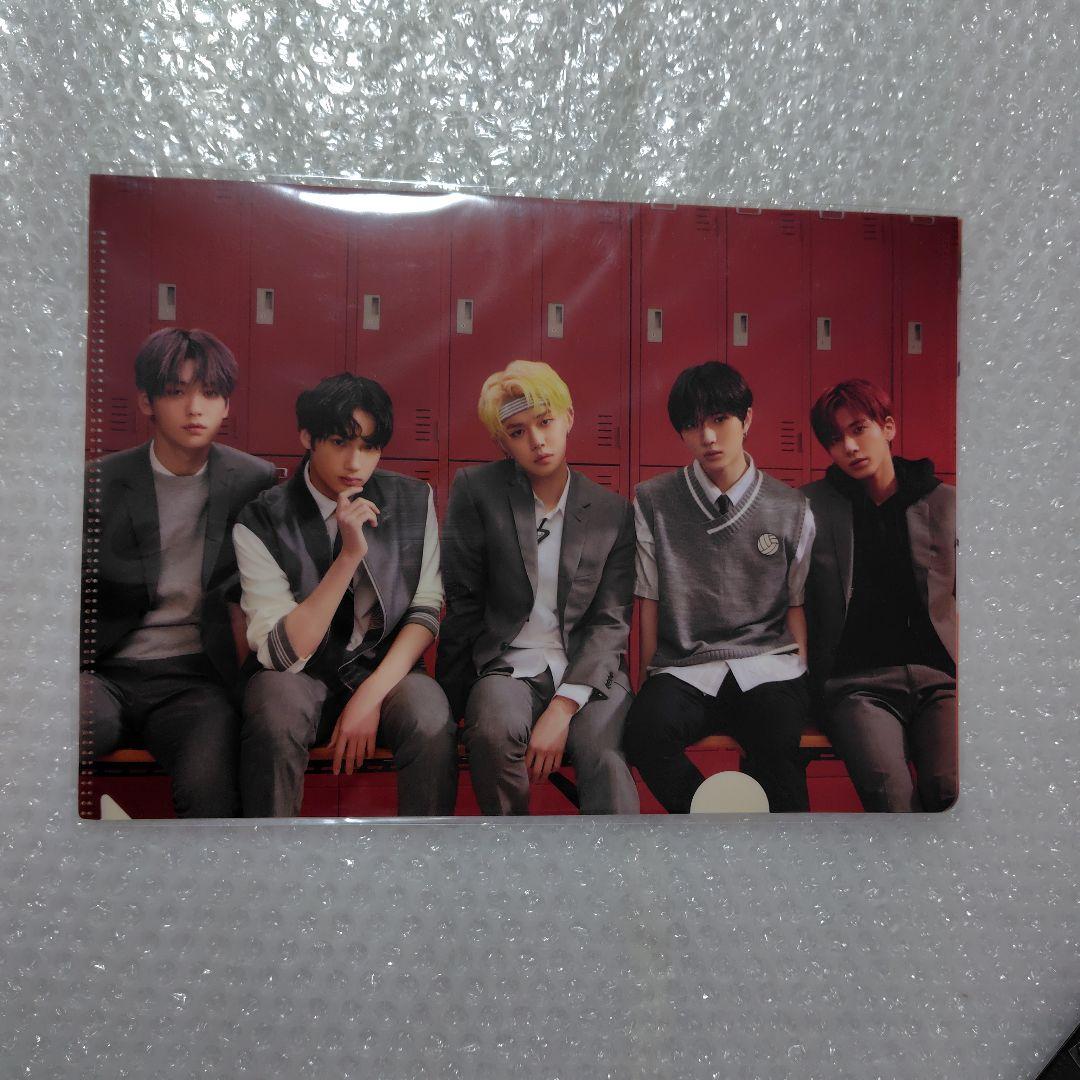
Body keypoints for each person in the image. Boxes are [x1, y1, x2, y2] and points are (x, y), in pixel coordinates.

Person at [233, 373, 457, 817]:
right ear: (307, 437)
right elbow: (281, 653)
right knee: (274, 708)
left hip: (386, 673)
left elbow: (426, 609)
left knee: (430, 715)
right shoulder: (262, 520)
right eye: (339, 442)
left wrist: (368, 696)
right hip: (300, 676)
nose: (355, 462)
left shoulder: (413, 499)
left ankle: (428, 856)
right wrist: (349, 557)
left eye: (369, 447)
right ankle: (271, 854)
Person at [80, 328, 277, 816]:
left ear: (226, 405)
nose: (194, 408)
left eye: (209, 393)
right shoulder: (101, 481)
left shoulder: (253, 481)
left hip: (195, 679)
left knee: (210, 787)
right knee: (38, 742)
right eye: (176, 392)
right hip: (106, 672)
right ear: (146, 401)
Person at [436, 360, 639, 815]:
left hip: (589, 672)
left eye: (545, 422)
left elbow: (610, 623)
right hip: (507, 668)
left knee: (604, 755)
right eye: (518, 431)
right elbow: (464, 604)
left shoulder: (612, 512)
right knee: (493, 731)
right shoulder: (477, 491)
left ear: (568, 418)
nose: (537, 440)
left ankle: (617, 860)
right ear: (502, 443)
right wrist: (449, 708)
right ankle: (514, 852)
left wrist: (563, 707)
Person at [623, 361, 815, 813]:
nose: (707, 437)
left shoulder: (791, 507)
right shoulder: (653, 500)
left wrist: (800, 676)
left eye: (719, 419)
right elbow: (649, 599)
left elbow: (795, 604)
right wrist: (649, 677)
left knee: (778, 739)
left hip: (767, 665)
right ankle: (713, 821)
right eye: (692, 425)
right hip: (686, 668)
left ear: (746, 420)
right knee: (644, 733)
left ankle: (788, 853)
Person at [802, 379, 957, 812]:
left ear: (887, 427)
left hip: (939, 682)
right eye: (835, 439)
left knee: (950, 791)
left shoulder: (946, 504)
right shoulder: (811, 507)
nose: (850, 447)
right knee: (893, 803)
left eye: (859, 429)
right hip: (858, 686)